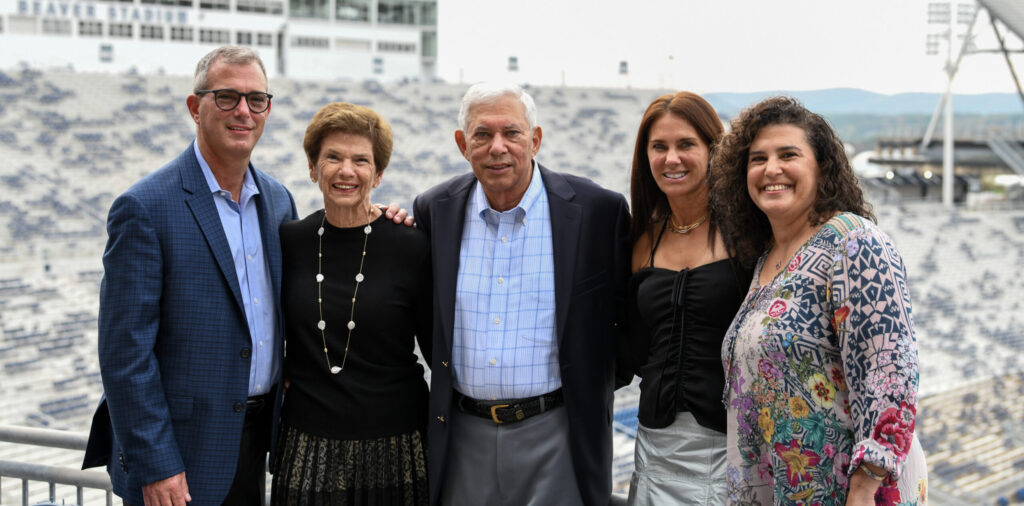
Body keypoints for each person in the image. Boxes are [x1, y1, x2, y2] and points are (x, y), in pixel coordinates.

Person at [82, 46, 298, 505]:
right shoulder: (144, 208)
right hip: (178, 458)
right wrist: (157, 462)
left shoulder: (278, 201)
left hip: (255, 443)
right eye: (226, 97)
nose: (243, 111)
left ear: (268, 110)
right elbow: (125, 353)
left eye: (256, 99)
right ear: (194, 107)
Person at [412, 82, 630, 505]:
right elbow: (425, 319)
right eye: (482, 134)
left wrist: (586, 387)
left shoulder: (596, 210)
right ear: (462, 144)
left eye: (511, 133)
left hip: (558, 433)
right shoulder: (433, 210)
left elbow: (627, 320)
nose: (498, 147)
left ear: (535, 139)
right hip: (463, 434)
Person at [709, 96, 927, 505]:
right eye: (758, 159)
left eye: (787, 154)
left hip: (848, 492)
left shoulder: (853, 242)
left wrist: (863, 490)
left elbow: (891, 373)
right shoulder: (765, 261)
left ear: (821, 166)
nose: (771, 169)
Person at [271, 102, 431, 505]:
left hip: (397, 449)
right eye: (333, 158)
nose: (346, 171)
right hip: (307, 451)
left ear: (378, 175)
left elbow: (439, 349)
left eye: (361, 160)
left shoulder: (413, 245)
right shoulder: (288, 241)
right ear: (312, 168)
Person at [617, 92, 751, 505]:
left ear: (714, 149)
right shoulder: (641, 243)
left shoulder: (749, 235)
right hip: (654, 444)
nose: (671, 158)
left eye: (686, 145)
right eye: (659, 147)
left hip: (731, 446)